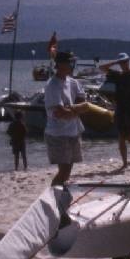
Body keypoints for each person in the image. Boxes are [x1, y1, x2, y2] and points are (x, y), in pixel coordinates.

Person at [44, 51, 85, 186]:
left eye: (73, 62)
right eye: (70, 62)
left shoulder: (73, 82)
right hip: (58, 133)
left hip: (73, 131)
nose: (72, 65)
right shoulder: (52, 85)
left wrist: (71, 110)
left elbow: (82, 101)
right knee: (63, 171)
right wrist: (75, 110)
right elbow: (60, 113)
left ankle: (60, 195)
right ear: (61, 64)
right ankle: (53, 196)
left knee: (68, 171)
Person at [101, 53, 130, 168]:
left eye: (125, 61)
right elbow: (102, 68)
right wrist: (115, 62)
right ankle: (125, 163)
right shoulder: (118, 75)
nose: (123, 64)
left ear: (128, 61)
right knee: (121, 137)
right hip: (120, 110)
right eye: (121, 62)